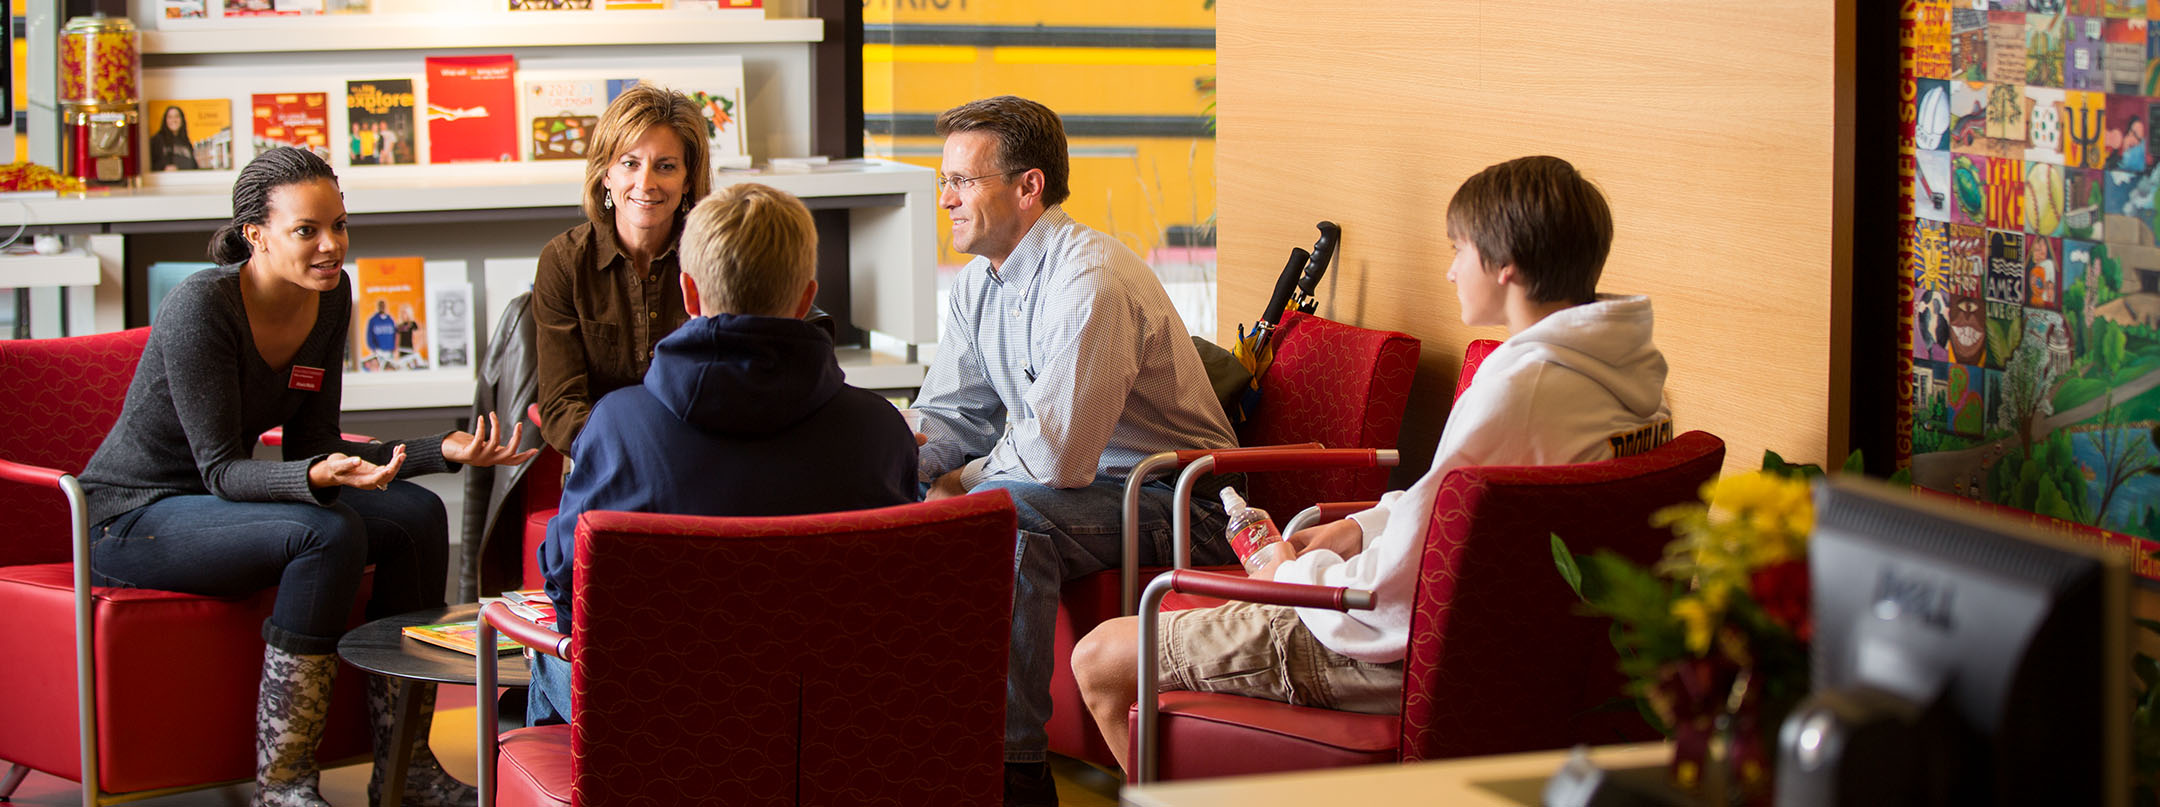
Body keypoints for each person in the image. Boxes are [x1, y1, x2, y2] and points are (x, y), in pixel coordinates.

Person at [1070, 155, 1675, 774]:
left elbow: (1388, 592)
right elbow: (1464, 510)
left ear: (1506, 266)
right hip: (1531, 652)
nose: (1449, 270)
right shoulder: (1631, 374)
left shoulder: (1522, 386)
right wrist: (1354, 529)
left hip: (1405, 657)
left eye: (1458, 250)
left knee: (1103, 659)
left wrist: (1292, 576)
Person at [77, 146, 536, 807]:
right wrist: (316, 476)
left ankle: (406, 768)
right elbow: (222, 471)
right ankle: (284, 783)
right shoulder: (202, 307)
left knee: (416, 516)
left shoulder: (329, 295)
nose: (331, 246)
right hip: (133, 516)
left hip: (212, 504)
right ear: (254, 235)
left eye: (340, 225)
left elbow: (315, 442)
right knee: (324, 531)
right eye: (307, 231)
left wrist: (445, 450)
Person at [908, 95, 1240, 807]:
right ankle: (925, 744)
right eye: (945, 182)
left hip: (1182, 502)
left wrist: (960, 486)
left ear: (1028, 187)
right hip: (1092, 492)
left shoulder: (1089, 279)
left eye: (962, 181)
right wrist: (892, 470)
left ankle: (1012, 773)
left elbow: (1057, 459)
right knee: (917, 501)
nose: (945, 199)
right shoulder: (979, 283)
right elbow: (951, 413)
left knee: (1006, 513)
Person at [526, 182, 919, 724]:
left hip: (658, 721)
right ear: (807, 299)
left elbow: (572, 591)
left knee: (545, 653)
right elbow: (895, 603)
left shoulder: (617, 426)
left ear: (688, 295)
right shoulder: (879, 431)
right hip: (827, 716)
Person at [530, 84, 712, 454]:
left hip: (699, 455)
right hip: (606, 459)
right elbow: (561, 407)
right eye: (630, 163)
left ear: (688, 179)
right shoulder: (564, 262)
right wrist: (637, 452)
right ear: (606, 174)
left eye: (666, 166)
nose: (645, 184)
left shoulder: (716, 257)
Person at [150, 105, 198, 171]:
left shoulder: (186, 142)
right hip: (167, 179)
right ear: (165, 120)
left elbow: (194, 165)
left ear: (182, 120)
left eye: (177, 116)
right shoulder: (157, 140)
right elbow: (150, 164)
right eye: (170, 117)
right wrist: (164, 168)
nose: (174, 120)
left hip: (186, 179)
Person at [364, 299, 396, 368]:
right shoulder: (373, 320)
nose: (382, 307)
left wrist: (393, 348)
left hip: (389, 352)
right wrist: (374, 348)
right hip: (378, 352)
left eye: (383, 306)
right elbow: (369, 336)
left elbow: (395, 335)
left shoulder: (390, 320)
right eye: (380, 306)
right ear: (378, 307)